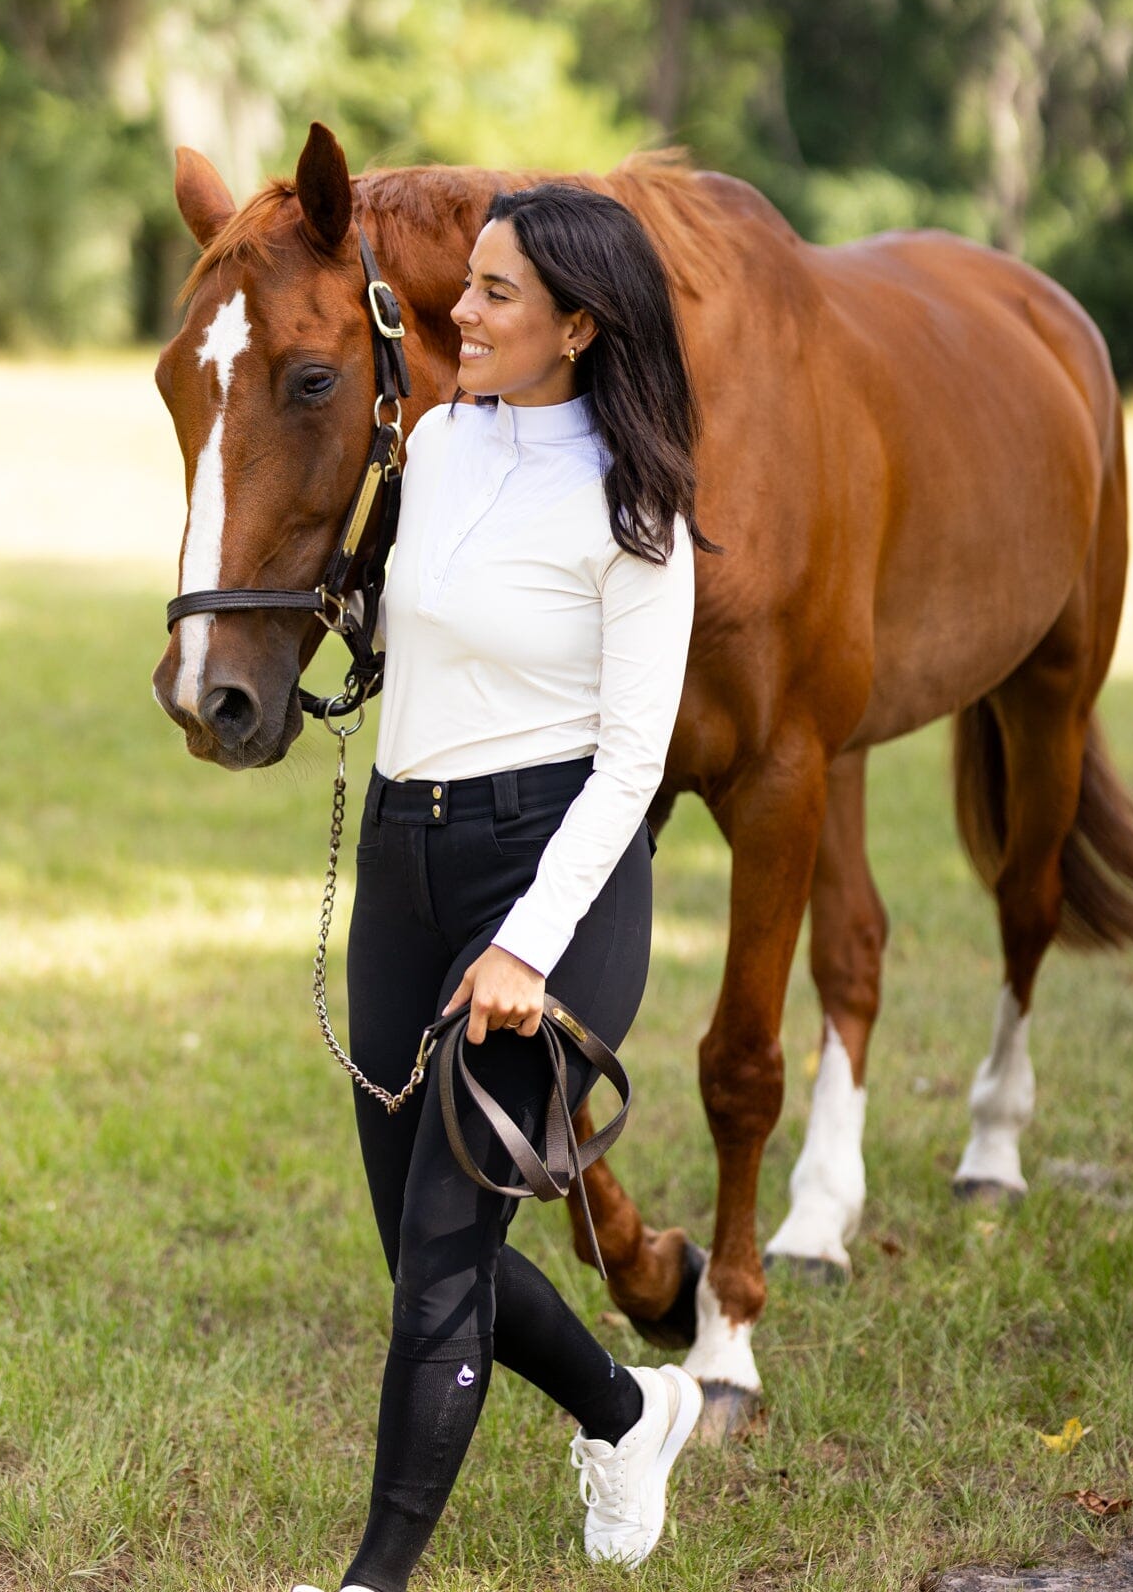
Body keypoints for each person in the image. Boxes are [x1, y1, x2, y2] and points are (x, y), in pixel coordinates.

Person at [296, 182, 714, 1592]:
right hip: (406, 867)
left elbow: (632, 762)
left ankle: (373, 1582)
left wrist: (528, 947)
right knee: (419, 1253)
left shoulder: (636, 499)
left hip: (555, 883)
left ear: (580, 327)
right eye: (461, 284)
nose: (455, 312)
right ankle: (630, 1408)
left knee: (438, 1249)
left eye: (492, 296)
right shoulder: (438, 444)